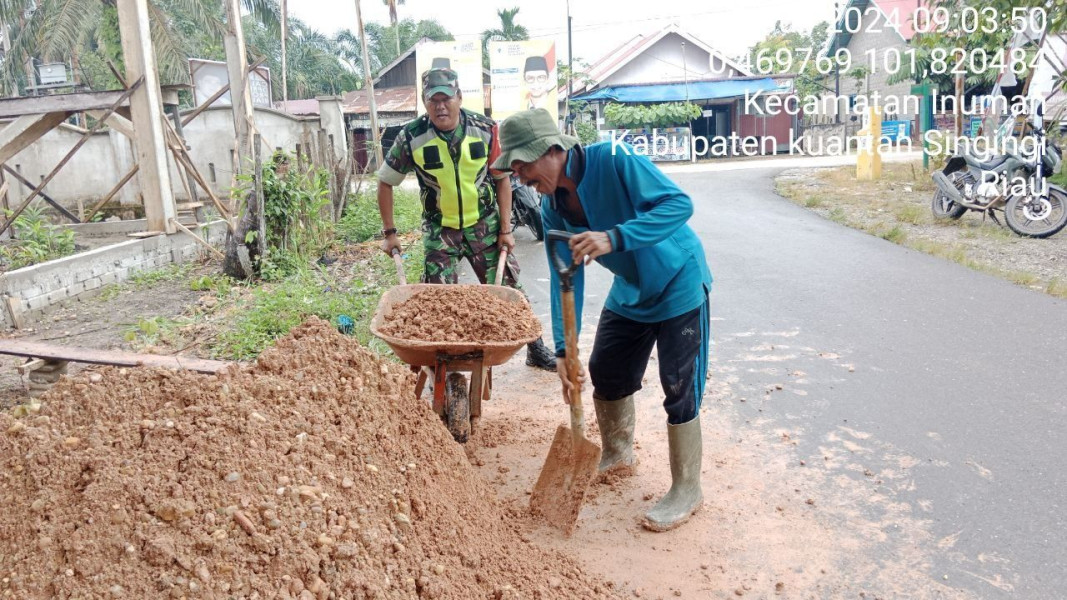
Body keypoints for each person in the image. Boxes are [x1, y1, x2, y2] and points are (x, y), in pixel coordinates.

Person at [492, 108, 713, 531]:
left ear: (551, 149)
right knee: (605, 370)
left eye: (522, 165)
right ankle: (617, 452)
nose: (519, 177)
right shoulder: (553, 207)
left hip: (679, 280)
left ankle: (687, 488)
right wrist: (562, 350)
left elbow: (679, 204)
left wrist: (614, 237)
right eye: (513, 169)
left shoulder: (614, 158)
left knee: (680, 386)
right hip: (632, 291)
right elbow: (564, 281)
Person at [377, 69, 557, 371]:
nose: (440, 106)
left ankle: (535, 348)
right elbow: (385, 182)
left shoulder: (485, 129)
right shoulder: (411, 136)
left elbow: (501, 181)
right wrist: (389, 233)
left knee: (510, 291)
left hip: (483, 224)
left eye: (446, 98)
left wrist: (505, 229)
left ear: (459, 97)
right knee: (437, 298)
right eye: (433, 100)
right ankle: (438, 357)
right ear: (425, 103)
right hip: (440, 228)